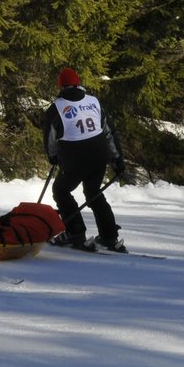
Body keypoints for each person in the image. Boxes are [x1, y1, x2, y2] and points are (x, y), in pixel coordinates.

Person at [43, 67, 125, 251]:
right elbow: (108, 131)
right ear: (78, 83)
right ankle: (109, 236)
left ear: (60, 85)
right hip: (99, 155)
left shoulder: (56, 107)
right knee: (93, 192)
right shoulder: (94, 101)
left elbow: (51, 138)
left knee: (61, 191)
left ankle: (75, 232)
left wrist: (53, 156)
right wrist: (117, 159)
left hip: (74, 158)